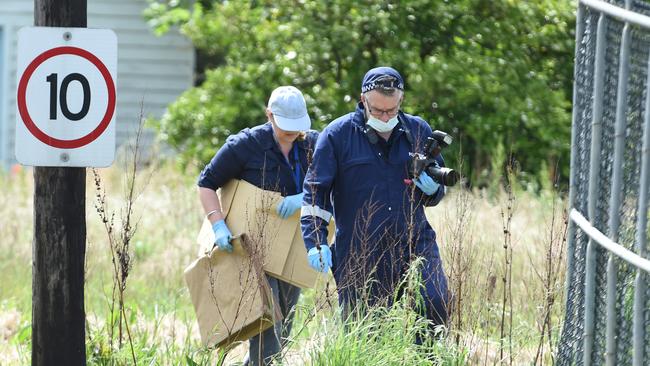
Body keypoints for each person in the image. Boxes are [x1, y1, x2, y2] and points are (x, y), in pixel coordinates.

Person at [300, 66, 450, 330]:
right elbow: (315, 192)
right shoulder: (337, 136)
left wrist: (432, 190)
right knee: (367, 330)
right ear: (363, 100)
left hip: (415, 244)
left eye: (391, 110)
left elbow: (436, 190)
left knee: (435, 304)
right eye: (378, 110)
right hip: (361, 250)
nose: (385, 116)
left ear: (400, 100)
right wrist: (316, 241)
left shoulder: (417, 130)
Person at [198, 86, 318, 365]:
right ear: (269, 115)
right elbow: (206, 184)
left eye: (296, 127)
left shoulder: (312, 144)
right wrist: (218, 225)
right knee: (267, 322)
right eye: (285, 127)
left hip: (293, 245)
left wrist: (305, 197)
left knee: (284, 322)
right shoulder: (244, 145)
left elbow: (331, 182)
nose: (291, 134)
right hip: (253, 246)